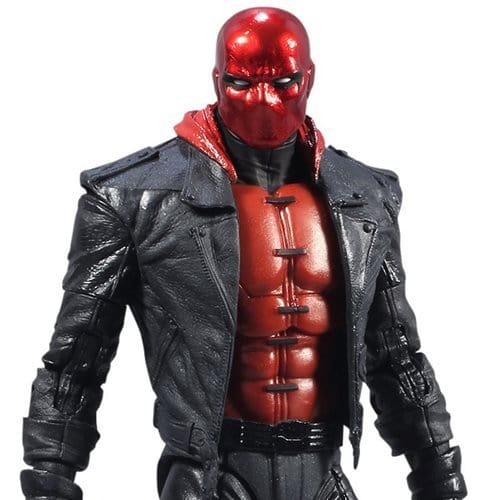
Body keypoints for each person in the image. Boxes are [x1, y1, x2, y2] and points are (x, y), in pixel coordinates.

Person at [21, 7, 467, 500]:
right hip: (210, 480)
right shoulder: (133, 197)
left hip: (325, 475)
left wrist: (440, 475)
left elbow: (396, 353)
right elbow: (76, 359)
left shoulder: (364, 197)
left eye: (283, 83)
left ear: (309, 79)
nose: (263, 102)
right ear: (217, 81)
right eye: (240, 83)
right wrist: (48, 480)